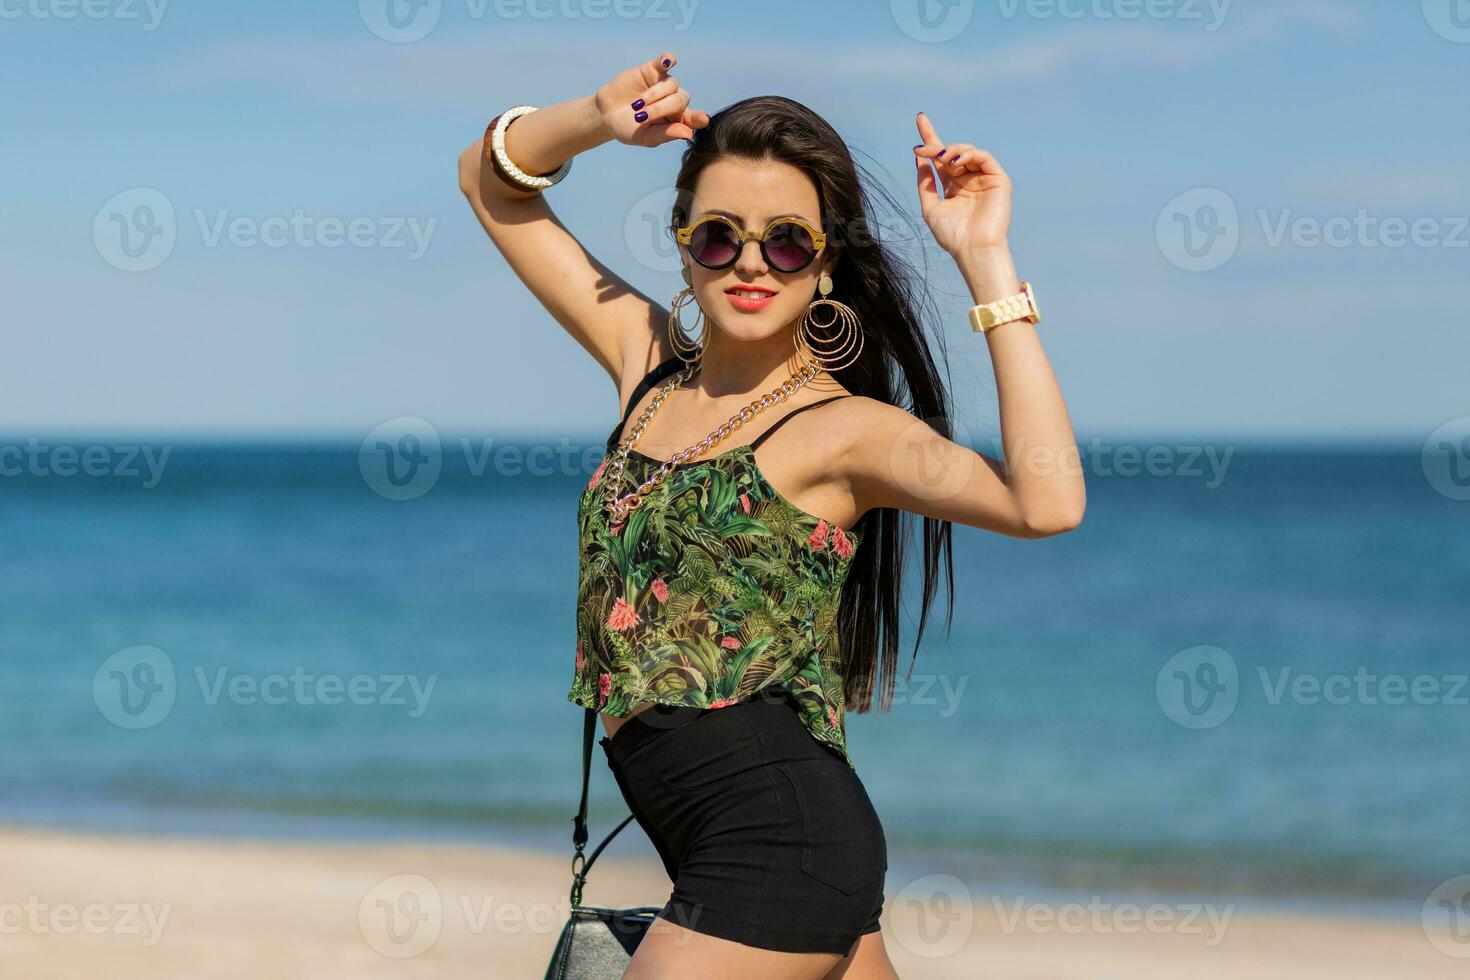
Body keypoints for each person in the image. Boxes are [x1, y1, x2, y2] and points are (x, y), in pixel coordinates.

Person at [458, 51, 1085, 980]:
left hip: (776, 847)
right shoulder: (648, 367)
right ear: (681, 242)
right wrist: (595, 118)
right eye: (720, 235)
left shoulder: (844, 430)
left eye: (788, 240)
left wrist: (986, 262)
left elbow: (1047, 500)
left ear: (824, 262)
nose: (752, 262)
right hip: (734, 849)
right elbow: (490, 184)